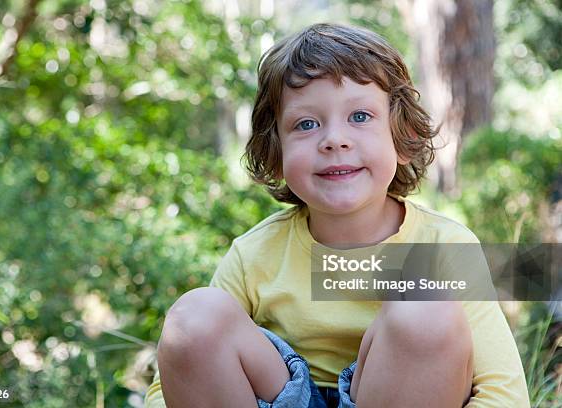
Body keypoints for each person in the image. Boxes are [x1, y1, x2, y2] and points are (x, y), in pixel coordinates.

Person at [145, 23, 529, 407]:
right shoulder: (254, 255)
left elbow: (503, 395)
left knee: (425, 309)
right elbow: (168, 392)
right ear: (276, 154)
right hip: (280, 394)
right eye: (306, 124)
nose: (334, 139)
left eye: (360, 116)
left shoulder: (444, 246)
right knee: (195, 318)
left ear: (402, 137)